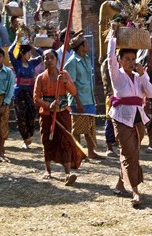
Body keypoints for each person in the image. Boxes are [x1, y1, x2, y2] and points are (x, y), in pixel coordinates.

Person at [107, 23, 152, 207]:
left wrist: (143, 75)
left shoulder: (138, 76)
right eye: (126, 59)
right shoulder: (117, 75)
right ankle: (135, 190)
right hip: (121, 117)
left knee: (132, 153)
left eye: (133, 59)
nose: (130, 62)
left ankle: (120, 184)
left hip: (138, 118)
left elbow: (150, 94)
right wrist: (112, 36)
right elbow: (109, 57)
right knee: (129, 153)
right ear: (119, 60)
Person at [33, 49, 86, 185]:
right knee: (47, 140)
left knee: (65, 141)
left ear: (57, 60)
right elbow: (36, 98)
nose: (49, 60)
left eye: (52, 57)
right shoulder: (40, 78)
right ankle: (48, 170)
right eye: (46, 58)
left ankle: (68, 173)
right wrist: (48, 105)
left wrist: (65, 82)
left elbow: (73, 91)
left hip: (62, 113)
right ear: (43, 61)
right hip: (47, 114)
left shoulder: (64, 74)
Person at [64, 31, 102, 159]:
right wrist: (77, 102)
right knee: (78, 129)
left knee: (90, 127)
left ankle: (91, 152)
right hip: (78, 101)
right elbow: (71, 84)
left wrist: (93, 96)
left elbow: (88, 81)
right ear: (81, 47)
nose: (88, 46)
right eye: (85, 44)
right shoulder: (72, 62)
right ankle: (77, 152)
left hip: (88, 98)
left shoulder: (86, 59)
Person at [9, 39, 42, 149]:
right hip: (19, 92)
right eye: (28, 53)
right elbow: (10, 52)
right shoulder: (17, 63)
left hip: (30, 91)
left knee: (31, 113)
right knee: (21, 115)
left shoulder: (32, 63)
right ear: (22, 53)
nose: (30, 55)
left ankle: (30, 135)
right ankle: (25, 138)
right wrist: (16, 41)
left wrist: (32, 46)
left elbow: (43, 55)